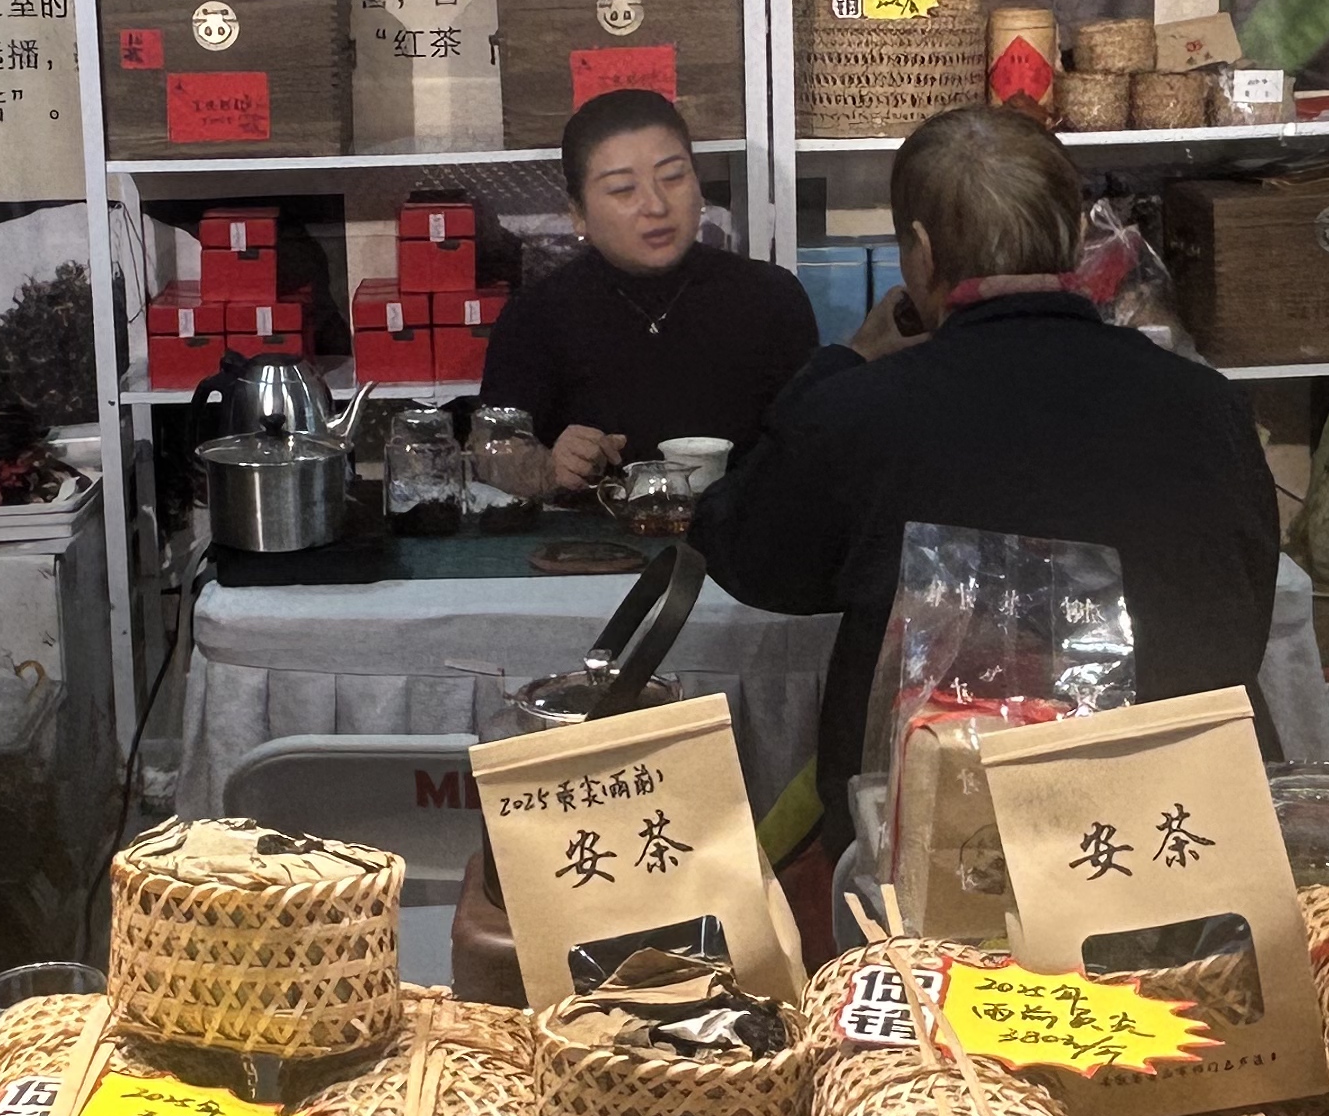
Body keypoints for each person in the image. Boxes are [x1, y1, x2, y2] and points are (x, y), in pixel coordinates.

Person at [689, 102, 1284, 924]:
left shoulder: (862, 414)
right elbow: (1246, 611)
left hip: (932, 869)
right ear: (1075, 240)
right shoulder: (1208, 405)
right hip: (1183, 854)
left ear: (922, 254)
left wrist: (841, 366)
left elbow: (743, 552)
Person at [478, 87, 821, 499]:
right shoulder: (538, 315)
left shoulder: (771, 297)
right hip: (595, 552)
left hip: (742, 551)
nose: (656, 205)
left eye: (673, 177)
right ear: (578, 213)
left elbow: (812, 444)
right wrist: (548, 468)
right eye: (623, 189)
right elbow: (493, 450)